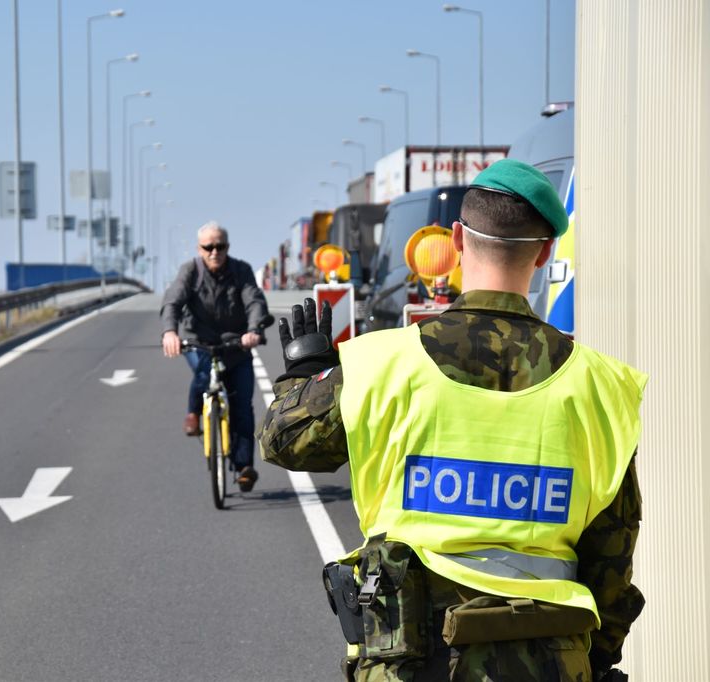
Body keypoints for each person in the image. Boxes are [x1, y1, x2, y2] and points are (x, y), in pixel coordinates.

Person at [259, 159, 645, 681]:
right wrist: (595, 660)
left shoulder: (382, 364)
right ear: (545, 250)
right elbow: (612, 555)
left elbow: (284, 439)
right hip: (552, 661)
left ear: (457, 242)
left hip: (412, 662)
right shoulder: (601, 385)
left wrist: (304, 373)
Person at [162, 221, 269, 492]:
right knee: (205, 368)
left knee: (242, 405)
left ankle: (244, 466)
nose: (214, 252)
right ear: (199, 249)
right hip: (199, 342)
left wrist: (254, 330)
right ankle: (194, 412)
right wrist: (170, 333)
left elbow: (254, 301)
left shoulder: (241, 270)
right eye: (208, 247)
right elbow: (172, 300)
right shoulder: (190, 271)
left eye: (219, 246)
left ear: (227, 247)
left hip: (236, 345)